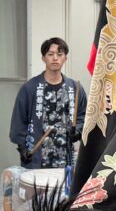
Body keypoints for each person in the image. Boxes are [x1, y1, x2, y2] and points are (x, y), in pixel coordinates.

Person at [9, 37, 88, 170]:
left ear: (65, 58)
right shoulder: (30, 87)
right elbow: (19, 120)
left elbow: (84, 116)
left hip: (66, 158)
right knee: (37, 190)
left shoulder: (75, 88)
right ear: (43, 58)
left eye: (59, 54)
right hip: (36, 157)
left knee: (64, 190)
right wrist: (22, 147)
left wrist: (78, 130)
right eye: (50, 54)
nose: (55, 58)